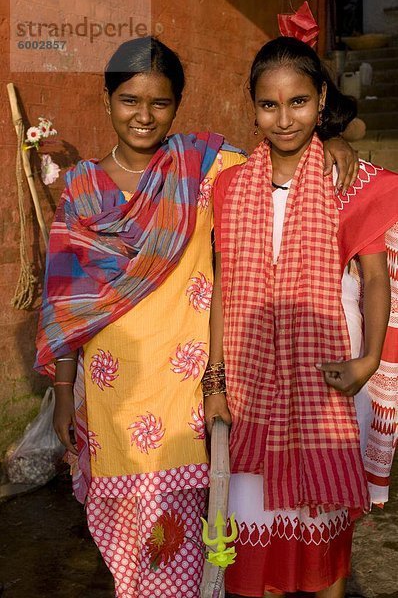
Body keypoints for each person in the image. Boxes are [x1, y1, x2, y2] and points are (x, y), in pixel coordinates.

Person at [35, 36, 360, 598]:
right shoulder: (83, 187)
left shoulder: (203, 166)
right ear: (107, 99)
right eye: (129, 100)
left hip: (189, 390)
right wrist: (65, 389)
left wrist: (332, 139)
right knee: (129, 542)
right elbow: (68, 299)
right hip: (116, 392)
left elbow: (284, 145)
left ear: (177, 106)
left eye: (159, 103)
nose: (144, 116)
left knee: (200, 533)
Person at [207, 36, 398, 598]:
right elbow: (224, 288)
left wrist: (365, 363)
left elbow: (373, 278)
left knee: (325, 557)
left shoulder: (350, 183)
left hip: (327, 384)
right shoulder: (230, 185)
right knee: (253, 546)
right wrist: (215, 380)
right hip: (248, 386)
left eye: (298, 102)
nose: (284, 118)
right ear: (253, 107)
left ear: (320, 100)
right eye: (269, 104)